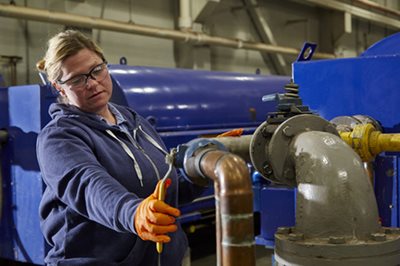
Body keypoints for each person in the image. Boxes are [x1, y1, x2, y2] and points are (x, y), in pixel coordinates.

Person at [36, 30, 203, 265]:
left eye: (97, 70)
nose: (93, 83)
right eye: (77, 79)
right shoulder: (58, 138)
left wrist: (200, 170)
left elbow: (165, 186)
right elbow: (89, 184)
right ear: (59, 87)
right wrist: (134, 214)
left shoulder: (133, 121)